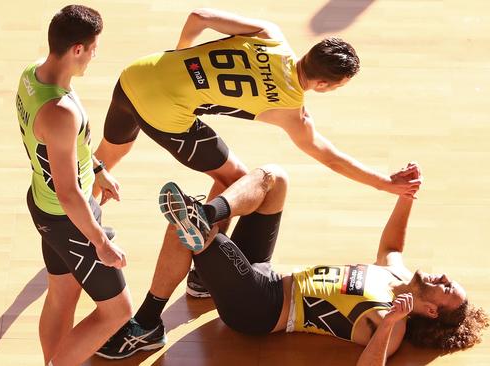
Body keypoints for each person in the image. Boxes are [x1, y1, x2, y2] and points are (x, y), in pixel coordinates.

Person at [94, 8, 421, 358]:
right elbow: (331, 158)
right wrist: (385, 184)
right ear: (323, 84)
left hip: (139, 73)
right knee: (234, 179)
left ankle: (85, 223)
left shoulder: (270, 34)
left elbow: (198, 16)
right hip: (164, 112)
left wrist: (179, 58)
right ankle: (180, 287)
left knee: (104, 160)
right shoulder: (292, 109)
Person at [153, 163, 490, 365]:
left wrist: (389, 324)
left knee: (202, 233)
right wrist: (406, 196)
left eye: (447, 288)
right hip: (266, 274)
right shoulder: (396, 272)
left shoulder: (393, 323)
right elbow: (391, 245)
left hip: (259, 308)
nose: (444, 277)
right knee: (276, 180)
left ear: (432, 311)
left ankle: (193, 244)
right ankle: (203, 271)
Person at [14, 5, 153, 365]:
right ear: (77, 48)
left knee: (62, 294)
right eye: (93, 48)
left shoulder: (33, 75)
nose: (95, 55)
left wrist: (98, 168)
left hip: (44, 205)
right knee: (117, 311)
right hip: (67, 217)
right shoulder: (60, 111)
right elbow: (69, 192)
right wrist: (101, 242)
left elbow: (63, 148)